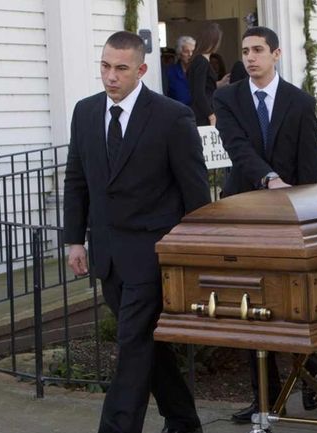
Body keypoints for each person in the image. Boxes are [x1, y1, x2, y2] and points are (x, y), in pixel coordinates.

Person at [63, 31, 210, 433]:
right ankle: (183, 420)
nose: (111, 76)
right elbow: (77, 179)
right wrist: (75, 239)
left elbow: (195, 194)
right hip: (108, 254)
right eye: (105, 66)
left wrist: (191, 258)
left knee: (131, 344)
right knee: (149, 346)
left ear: (141, 70)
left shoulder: (171, 116)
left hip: (153, 255)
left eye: (121, 68)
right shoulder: (85, 112)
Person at [213, 25, 317, 423]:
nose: (250, 57)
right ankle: (264, 398)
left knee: (294, 297)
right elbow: (237, 148)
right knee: (249, 302)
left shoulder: (299, 101)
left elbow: (309, 165)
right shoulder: (226, 98)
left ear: (276, 54)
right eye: (244, 50)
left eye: (258, 50)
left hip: (291, 215)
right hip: (244, 211)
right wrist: (270, 179)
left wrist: (309, 211)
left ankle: (309, 375)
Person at [187, 23, 223, 126]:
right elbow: (199, 92)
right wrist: (211, 115)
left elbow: (205, 87)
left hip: (204, 111)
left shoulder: (201, 60)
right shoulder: (201, 61)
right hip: (203, 114)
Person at [166, 35, 195, 106]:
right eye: (186, 51)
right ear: (179, 53)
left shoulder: (199, 71)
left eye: (192, 51)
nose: (190, 54)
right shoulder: (170, 73)